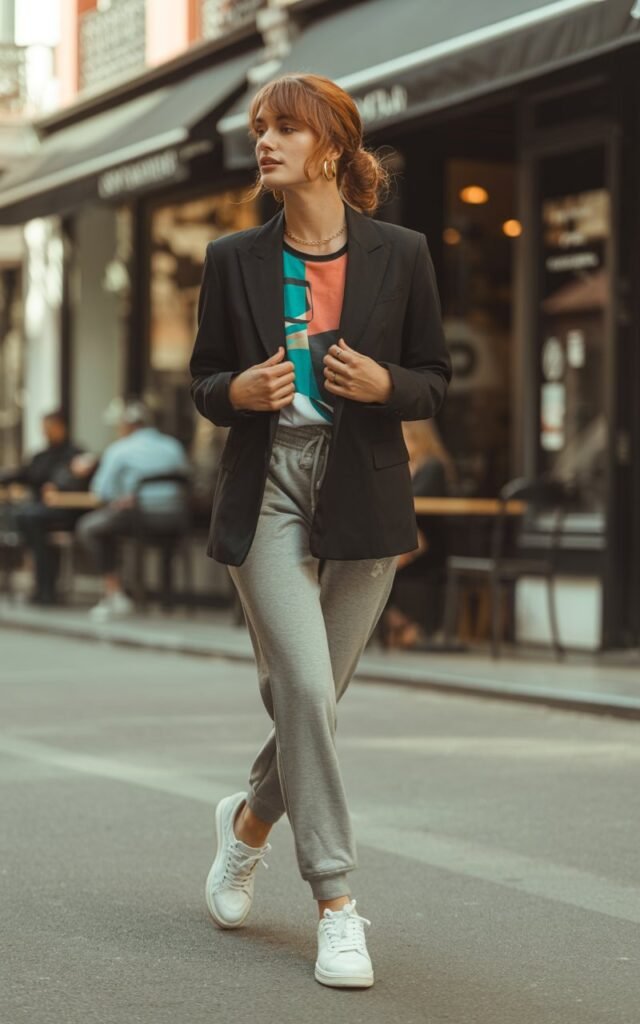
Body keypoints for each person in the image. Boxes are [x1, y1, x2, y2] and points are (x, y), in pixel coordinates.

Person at [189, 73, 451, 989]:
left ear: (332, 146)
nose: (264, 141)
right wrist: (237, 391)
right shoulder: (233, 258)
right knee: (303, 683)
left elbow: (433, 377)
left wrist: (387, 385)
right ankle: (337, 903)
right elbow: (203, 381)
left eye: (284, 129)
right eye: (259, 128)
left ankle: (248, 825)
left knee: (314, 702)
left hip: (364, 491)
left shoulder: (402, 253)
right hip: (267, 487)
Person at [76, 399, 190, 622]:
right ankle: (166, 596)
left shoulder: (120, 449)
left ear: (126, 426)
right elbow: (186, 477)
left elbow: (101, 492)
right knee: (108, 525)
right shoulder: (173, 446)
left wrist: (121, 497)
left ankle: (114, 592)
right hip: (176, 518)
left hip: (140, 518)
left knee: (90, 528)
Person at [380, 419, 456, 648]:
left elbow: (415, 501)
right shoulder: (405, 466)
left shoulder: (432, 466)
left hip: (429, 545)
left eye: (403, 436)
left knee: (382, 564)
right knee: (379, 560)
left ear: (416, 437)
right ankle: (398, 623)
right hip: (408, 541)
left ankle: (400, 623)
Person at [0, 410, 89, 605]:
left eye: (49, 428)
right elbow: (24, 474)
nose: (46, 432)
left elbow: (74, 480)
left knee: (29, 518)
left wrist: (58, 486)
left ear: (61, 427)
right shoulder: (41, 456)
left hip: (66, 511)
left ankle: (47, 587)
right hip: (40, 512)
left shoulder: (74, 454)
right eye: (44, 428)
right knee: (22, 516)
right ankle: (41, 585)